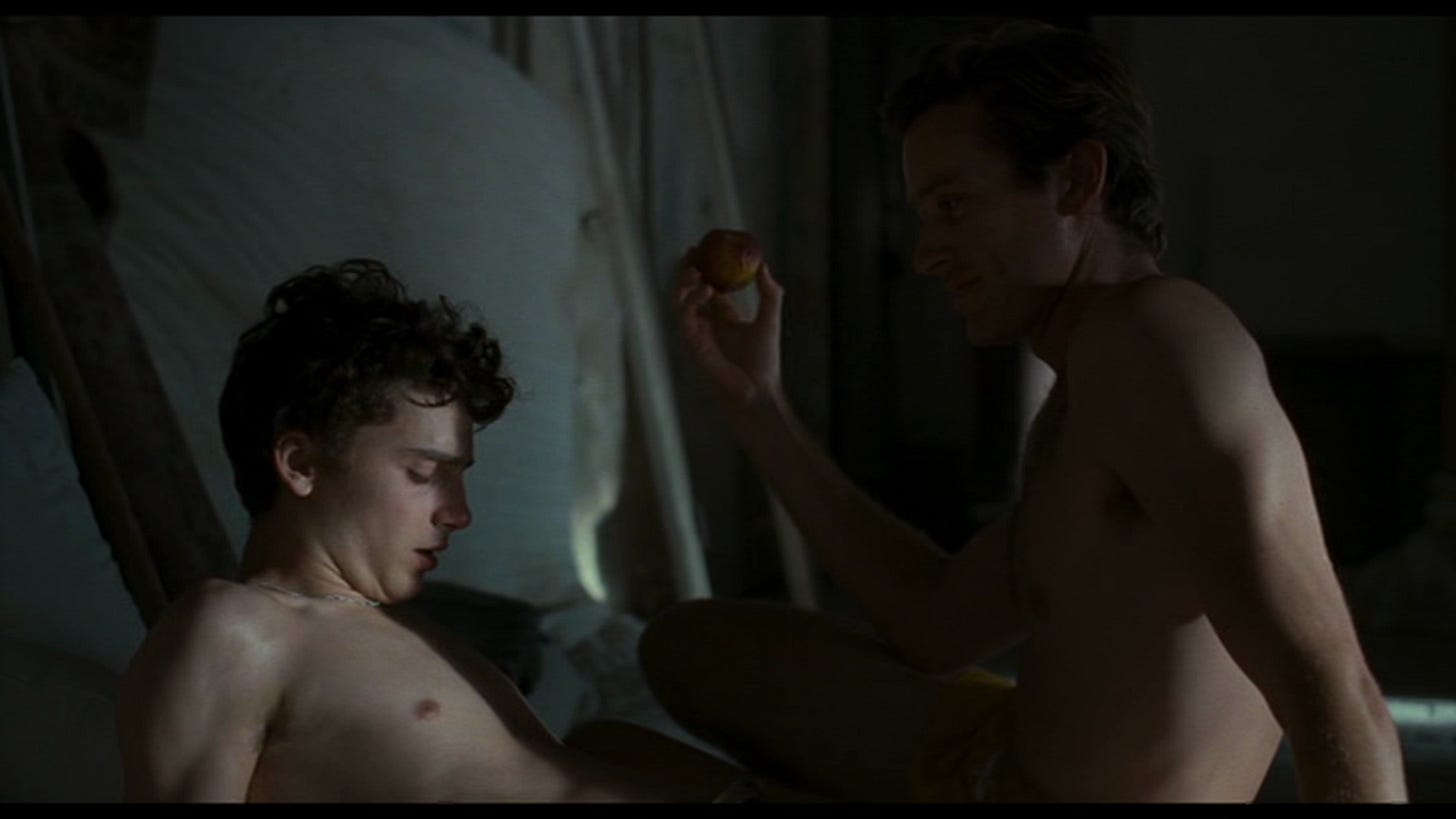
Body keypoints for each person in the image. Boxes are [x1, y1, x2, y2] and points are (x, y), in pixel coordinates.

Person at [634, 19, 1409, 803]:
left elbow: (1333, 687)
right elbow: (933, 622)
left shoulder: (1157, 341)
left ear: (1076, 180)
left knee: (607, 764)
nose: (926, 253)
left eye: (953, 205)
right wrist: (759, 404)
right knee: (687, 646)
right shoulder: (1093, 373)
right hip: (998, 758)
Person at [114, 259, 779, 802]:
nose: (459, 513)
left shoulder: (421, 638)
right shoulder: (235, 628)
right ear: (301, 463)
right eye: (422, 472)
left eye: (459, 476)